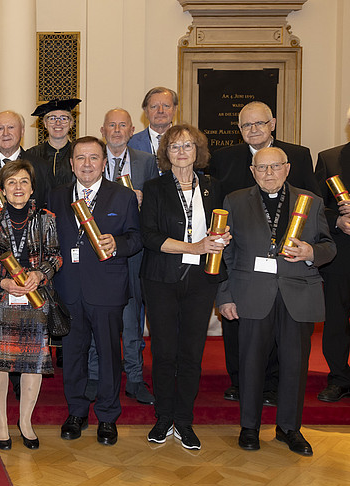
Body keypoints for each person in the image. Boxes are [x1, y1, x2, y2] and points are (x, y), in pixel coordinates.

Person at [218, 146, 335, 456]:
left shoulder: (311, 202)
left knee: (295, 366)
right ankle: (249, 427)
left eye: (275, 167)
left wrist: (312, 253)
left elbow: (328, 246)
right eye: (261, 168)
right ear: (253, 171)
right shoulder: (235, 201)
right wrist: (226, 295)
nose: (268, 173)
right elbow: (226, 253)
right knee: (251, 363)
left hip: (298, 294)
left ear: (287, 169)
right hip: (252, 293)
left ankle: (289, 428)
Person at [209, 101, 318, 403]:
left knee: (278, 329)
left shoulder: (296, 155)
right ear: (240, 129)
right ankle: (239, 381)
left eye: (259, 123)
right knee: (237, 326)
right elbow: (217, 205)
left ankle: (271, 384)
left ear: (272, 124)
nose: (253, 130)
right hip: (242, 259)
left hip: (285, 263)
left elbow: (314, 201)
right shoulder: (224, 158)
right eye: (246, 125)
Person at [140, 124, 230, 449]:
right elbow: (148, 236)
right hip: (160, 279)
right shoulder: (154, 188)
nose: (181, 152)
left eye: (188, 146)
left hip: (201, 281)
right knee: (164, 352)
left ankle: (185, 421)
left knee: (192, 353)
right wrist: (193, 247)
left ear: (198, 151)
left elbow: (222, 229)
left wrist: (223, 239)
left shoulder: (213, 187)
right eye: (175, 146)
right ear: (166, 153)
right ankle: (163, 418)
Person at [48, 136, 141, 446]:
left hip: (107, 289)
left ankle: (107, 416)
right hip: (69, 289)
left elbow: (137, 238)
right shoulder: (57, 196)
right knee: (72, 355)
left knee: (108, 355)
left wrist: (119, 244)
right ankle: (76, 412)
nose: (86, 164)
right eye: (80, 158)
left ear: (104, 163)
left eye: (93, 158)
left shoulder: (123, 197)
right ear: (71, 163)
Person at [0, 110, 53, 400]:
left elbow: (47, 206)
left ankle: (20, 380)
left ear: (22, 131)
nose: (5, 133)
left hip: (30, 263)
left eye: (11, 127)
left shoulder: (39, 165)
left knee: (28, 329)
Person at [0, 160, 60, 450]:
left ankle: (25, 422)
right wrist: (1, 282)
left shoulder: (46, 218)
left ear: (32, 187)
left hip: (35, 299)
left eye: (24, 181)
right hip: (0, 299)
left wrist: (40, 274)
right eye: (12, 183)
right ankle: (1, 421)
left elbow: (56, 256)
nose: (18, 187)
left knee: (32, 364)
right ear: (3, 188)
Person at [86, 108, 159, 406]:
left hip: (131, 251)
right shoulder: (90, 160)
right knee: (96, 316)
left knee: (131, 318)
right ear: (103, 130)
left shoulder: (147, 162)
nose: (117, 130)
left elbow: (156, 205)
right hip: (95, 252)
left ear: (132, 130)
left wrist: (143, 199)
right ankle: (93, 376)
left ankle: (135, 378)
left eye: (123, 126)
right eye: (111, 125)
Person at [314, 107, 350, 403]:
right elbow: (316, 207)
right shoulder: (330, 158)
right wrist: (337, 221)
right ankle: (338, 378)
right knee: (336, 321)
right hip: (340, 255)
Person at [27, 98, 81, 190]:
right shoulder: (32, 154)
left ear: (71, 123)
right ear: (45, 123)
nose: (58, 123)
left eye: (63, 118)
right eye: (52, 118)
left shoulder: (78, 152)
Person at [127, 86, 177, 155]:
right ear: (146, 111)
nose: (160, 111)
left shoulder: (186, 142)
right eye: (154, 106)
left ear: (175, 109)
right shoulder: (130, 143)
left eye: (166, 106)